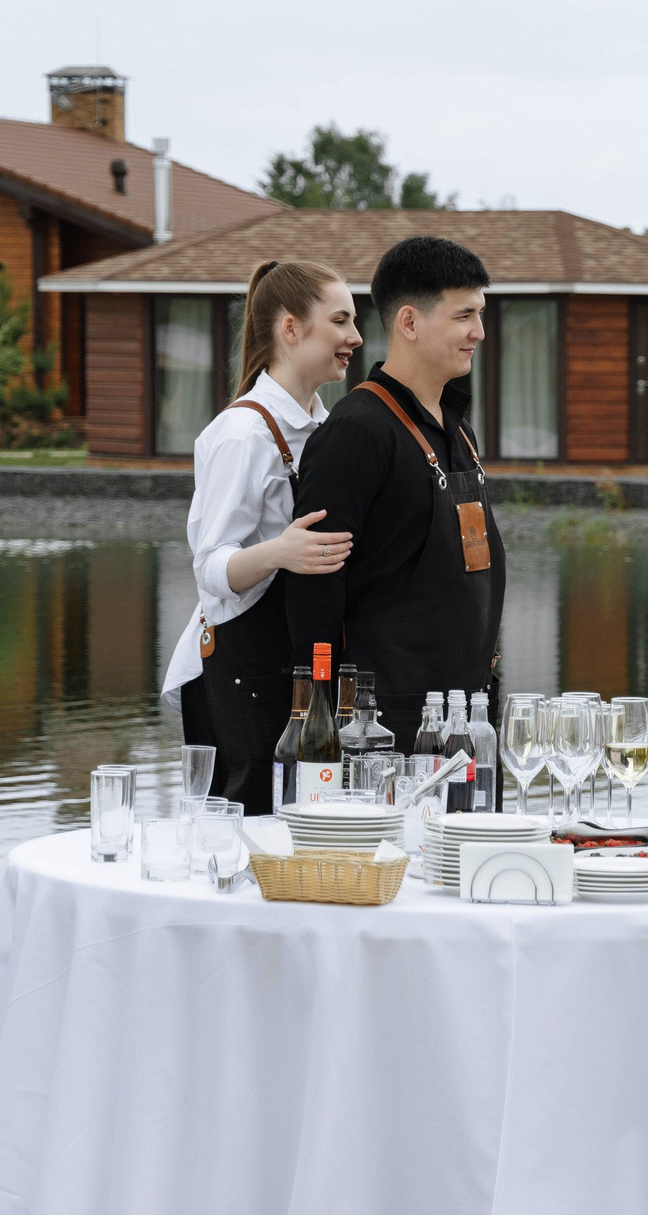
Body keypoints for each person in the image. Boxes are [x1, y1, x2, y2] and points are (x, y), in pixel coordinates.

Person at [283, 236, 506, 752]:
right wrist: (317, 717)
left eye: (480, 313)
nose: (479, 331)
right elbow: (314, 591)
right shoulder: (356, 430)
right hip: (381, 726)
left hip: (467, 712)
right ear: (408, 323)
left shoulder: (456, 427)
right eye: (464, 315)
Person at [158, 261, 359, 811]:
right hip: (238, 672)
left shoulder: (322, 428)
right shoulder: (242, 435)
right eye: (340, 321)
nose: (355, 338)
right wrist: (283, 552)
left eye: (354, 322)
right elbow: (210, 570)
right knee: (244, 825)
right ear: (291, 330)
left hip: (285, 665)